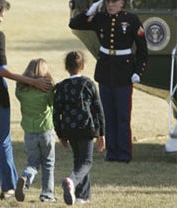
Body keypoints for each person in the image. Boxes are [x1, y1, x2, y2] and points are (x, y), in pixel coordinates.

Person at [0, 0, 52, 201]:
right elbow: (1, 70)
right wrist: (33, 81)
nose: (3, 18)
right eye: (2, 14)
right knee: (3, 142)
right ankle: (8, 188)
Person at [69, 0, 148, 163]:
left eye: (114, 2)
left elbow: (142, 50)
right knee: (108, 115)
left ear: (122, 3)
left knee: (122, 116)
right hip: (106, 71)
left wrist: (138, 72)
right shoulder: (100, 18)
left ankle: (124, 153)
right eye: (108, 2)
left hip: (124, 72)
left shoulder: (132, 20)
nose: (110, 5)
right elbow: (74, 23)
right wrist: (89, 13)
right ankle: (111, 153)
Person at [53, 51, 106, 205]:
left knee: (79, 161)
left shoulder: (61, 87)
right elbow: (98, 110)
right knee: (87, 161)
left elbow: (56, 113)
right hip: (86, 128)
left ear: (66, 67)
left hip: (69, 129)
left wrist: (60, 134)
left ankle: (82, 196)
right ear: (82, 66)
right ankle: (71, 181)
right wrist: (101, 133)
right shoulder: (88, 84)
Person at [14, 58, 56, 203]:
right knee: (48, 163)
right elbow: (53, 103)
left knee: (33, 162)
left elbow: (18, 93)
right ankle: (47, 194)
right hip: (46, 130)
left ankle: (26, 177)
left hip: (29, 132)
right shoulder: (47, 89)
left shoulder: (21, 90)